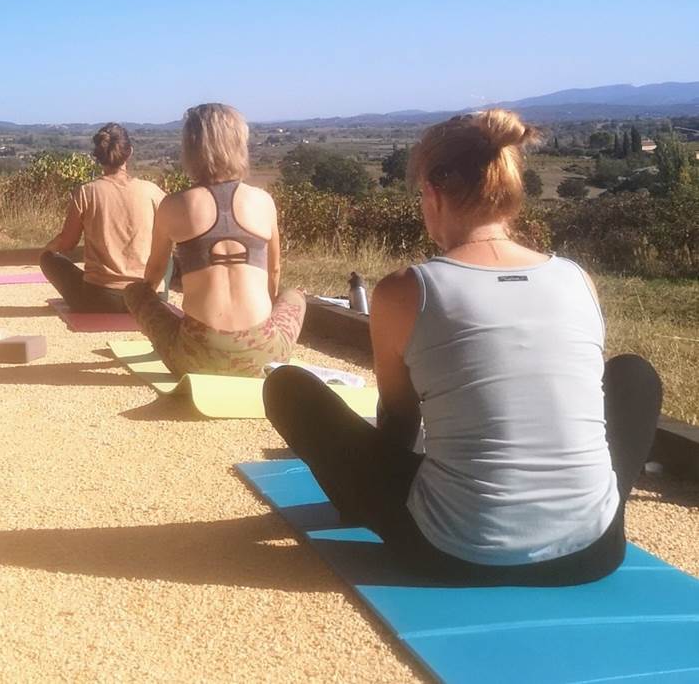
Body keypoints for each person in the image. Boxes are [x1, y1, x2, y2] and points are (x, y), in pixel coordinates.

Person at [263, 109, 662, 584]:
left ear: (431, 194)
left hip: (449, 552)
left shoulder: (406, 290)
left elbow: (400, 421)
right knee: (635, 373)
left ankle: (371, 508)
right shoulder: (578, 279)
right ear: (511, 194)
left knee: (286, 387)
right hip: (593, 552)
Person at [125, 103, 305, 375]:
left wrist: (154, 304)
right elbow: (274, 270)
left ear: (190, 148)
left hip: (193, 358)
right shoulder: (263, 201)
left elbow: (155, 272)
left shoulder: (173, 205)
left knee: (135, 292)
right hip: (264, 356)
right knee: (295, 296)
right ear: (238, 144)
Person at [41, 123, 165, 313]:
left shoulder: (86, 192)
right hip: (148, 298)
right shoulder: (153, 192)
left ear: (99, 156)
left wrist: (47, 250)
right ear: (129, 152)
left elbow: (67, 243)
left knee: (48, 260)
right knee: (167, 251)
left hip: (100, 298)